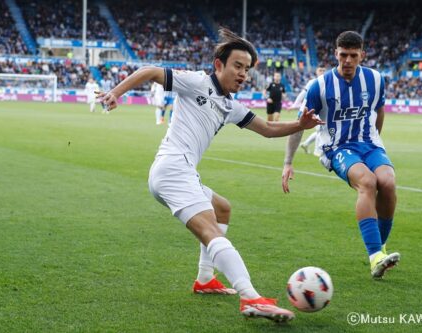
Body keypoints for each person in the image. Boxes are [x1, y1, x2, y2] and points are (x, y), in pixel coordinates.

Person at [98, 28, 324, 322]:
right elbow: (150, 71)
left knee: (222, 209)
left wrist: (300, 125)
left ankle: (205, 280)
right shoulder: (196, 82)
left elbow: (268, 130)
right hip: (173, 169)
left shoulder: (230, 105)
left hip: (178, 171)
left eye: (247, 69)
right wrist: (116, 92)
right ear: (219, 65)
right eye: (237, 66)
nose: (243, 74)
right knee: (211, 231)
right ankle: (251, 297)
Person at [282, 31, 400, 279]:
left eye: (353, 55)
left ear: (362, 55)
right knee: (367, 182)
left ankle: (379, 251)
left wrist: (376, 138)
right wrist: (288, 162)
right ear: (336, 54)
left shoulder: (376, 79)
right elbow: (300, 123)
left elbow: (379, 110)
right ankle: (375, 256)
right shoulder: (320, 86)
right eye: (343, 55)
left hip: (369, 144)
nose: (347, 60)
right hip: (337, 148)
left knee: (388, 183)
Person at [293, 66, 326, 155]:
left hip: (320, 110)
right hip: (309, 110)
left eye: (323, 70)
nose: (322, 72)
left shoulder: (327, 83)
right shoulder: (312, 82)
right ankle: (317, 151)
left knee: (320, 129)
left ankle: (306, 144)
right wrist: (295, 104)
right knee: (320, 129)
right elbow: (303, 94)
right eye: (320, 70)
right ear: (316, 72)